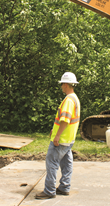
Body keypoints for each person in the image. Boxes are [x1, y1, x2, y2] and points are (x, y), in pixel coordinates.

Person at [36, 72, 81, 200]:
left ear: (66, 84)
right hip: (69, 139)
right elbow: (65, 120)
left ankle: (49, 191)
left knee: (51, 162)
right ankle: (64, 187)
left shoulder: (68, 100)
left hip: (61, 139)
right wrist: (54, 130)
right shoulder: (75, 98)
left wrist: (57, 136)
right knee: (67, 163)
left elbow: (65, 120)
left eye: (62, 84)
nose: (61, 86)